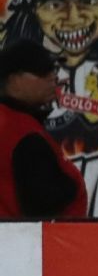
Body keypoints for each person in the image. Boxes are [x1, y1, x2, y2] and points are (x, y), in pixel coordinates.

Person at [0, 39, 86, 218]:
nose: (53, 78)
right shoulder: (22, 132)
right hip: (26, 243)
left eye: (53, 70)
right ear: (13, 81)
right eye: (41, 71)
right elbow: (44, 204)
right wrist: (70, 185)